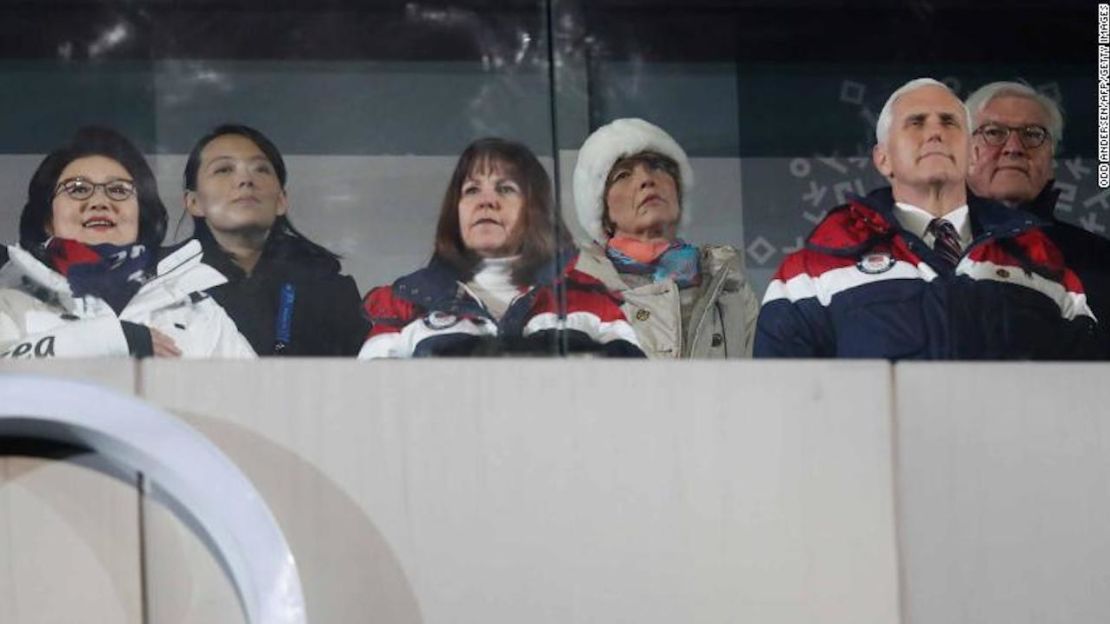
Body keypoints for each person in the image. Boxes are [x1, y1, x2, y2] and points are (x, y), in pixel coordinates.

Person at [755, 78, 1099, 359]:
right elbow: (783, 406)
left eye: (949, 122)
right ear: (883, 158)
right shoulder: (811, 272)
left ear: (971, 153)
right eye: (916, 122)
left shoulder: (1042, 263)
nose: (935, 132)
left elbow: (1089, 397)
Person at [359, 137, 643, 358]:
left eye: (505, 189)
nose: (486, 201)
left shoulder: (590, 300)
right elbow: (372, 412)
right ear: (454, 211)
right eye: (472, 190)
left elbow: (632, 400)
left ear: (535, 211)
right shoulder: (405, 305)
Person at [0, 126, 254, 358]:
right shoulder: (9, 301)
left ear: (140, 217)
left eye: (119, 190)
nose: (99, 201)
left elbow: (257, 399)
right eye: (77, 189)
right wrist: (106, 340)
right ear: (47, 219)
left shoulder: (198, 311)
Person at [571, 118, 759, 358]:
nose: (646, 180)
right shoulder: (573, 295)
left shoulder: (730, 286)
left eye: (658, 167)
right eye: (623, 175)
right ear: (602, 211)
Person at [184, 124, 368, 356]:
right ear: (193, 202)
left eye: (260, 169)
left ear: (281, 200)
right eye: (224, 169)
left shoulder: (331, 291)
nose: (245, 179)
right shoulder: (158, 285)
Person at [966, 81, 1110, 353]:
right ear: (963, 154)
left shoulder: (1100, 260)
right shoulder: (932, 249)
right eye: (994, 132)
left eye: (1032, 135)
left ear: (1051, 161)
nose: (1014, 148)